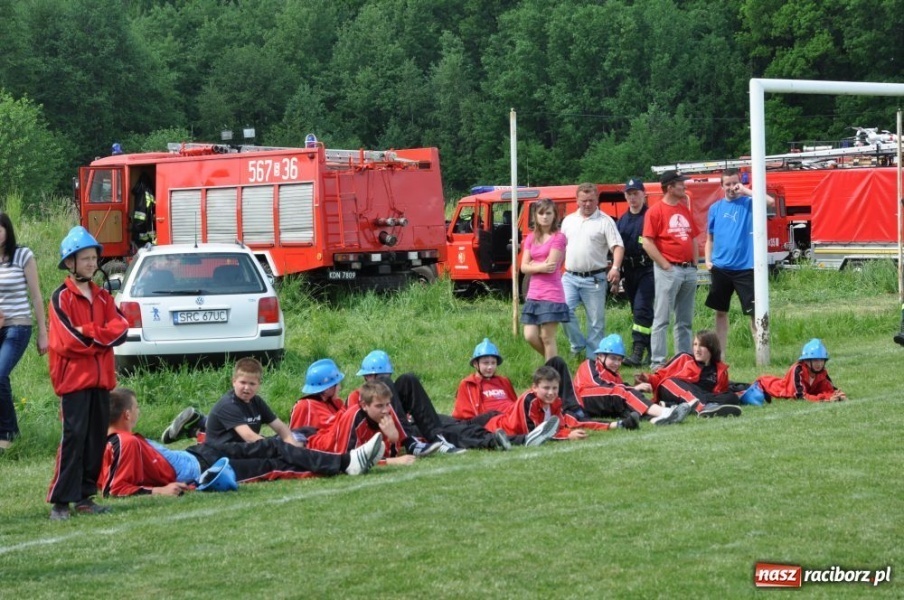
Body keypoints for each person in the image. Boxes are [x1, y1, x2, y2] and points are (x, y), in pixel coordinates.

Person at [101, 388, 384, 498]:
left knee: (275, 446)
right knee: (274, 462)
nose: (139, 412)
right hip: (208, 468)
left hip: (201, 454)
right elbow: (115, 488)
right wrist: (158, 492)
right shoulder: (123, 442)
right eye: (136, 408)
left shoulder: (118, 439)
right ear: (127, 415)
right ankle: (346, 463)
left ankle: (346, 461)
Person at [46, 226, 129, 521]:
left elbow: (122, 330)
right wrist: (100, 338)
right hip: (73, 384)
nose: (92, 264)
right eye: (85, 259)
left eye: (94, 258)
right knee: (74, 438)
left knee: (95, 439)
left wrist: (90, 333)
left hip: (101, 382)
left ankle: (84, 497)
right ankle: (60, 502)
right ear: (70, 263)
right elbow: (67, 341)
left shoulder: (104, 297)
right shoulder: (61, 298)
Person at [202, 358, 384, 477]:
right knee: (279, 456)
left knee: (303, 432)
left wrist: (291, 443)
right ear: (233, 381)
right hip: (225, 455)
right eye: (242, 383)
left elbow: (281, 428)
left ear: (259, 384)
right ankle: (345, 462)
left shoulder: (256, 402)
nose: (246, 388)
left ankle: (341, 460)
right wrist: (280, 447)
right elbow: (250, 437)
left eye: (252, 383)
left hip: (245, 451)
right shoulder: (228, 404)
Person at [705, 168, 775, 356]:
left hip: (746, 268)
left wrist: (745, 190)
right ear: (721, 186)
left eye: (734, 183)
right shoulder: (715, 209)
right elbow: (709, 238)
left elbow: (770, 202)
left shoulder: (749, 203)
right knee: (720, 312)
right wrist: (708, 260)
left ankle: (761, 352)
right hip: (721, 268)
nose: (731, 187)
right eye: (727, 184)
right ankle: (720, 355)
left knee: (754, 312)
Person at [348, 350, 467, 454]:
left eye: (387, 376)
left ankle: (437, 438)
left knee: (408, 378)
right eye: (378, 377)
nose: (384, 379)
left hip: (404, 424)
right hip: (381, 433)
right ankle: (410, 442)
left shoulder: (390, 391)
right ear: (366, 377)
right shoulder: (356, 397)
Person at [642, 170, 700, 371]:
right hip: (669, 269)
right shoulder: (655, 211)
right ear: (669, 187)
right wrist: (665, 265)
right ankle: (658, 363)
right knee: (662, 318)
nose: (684, 186)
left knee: (684, 320)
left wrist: (694, 263)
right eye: (680, 183)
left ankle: (683, 360)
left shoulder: (684, 209)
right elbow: (647, 243)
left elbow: (692, 237)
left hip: (688, 270)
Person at [0, 213, 49, 451]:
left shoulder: (22, 255)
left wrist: (43, 333)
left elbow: (37, 296)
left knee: (0, 375)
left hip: (18, 326)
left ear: (7, 231)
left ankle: (9, 434)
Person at [560, 183, 624, 360]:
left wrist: (615, 268)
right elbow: (560, 247)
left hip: (594, 279)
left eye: (591, 200)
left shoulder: (605, 221)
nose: (587, 204)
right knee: (563, 310)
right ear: (577, 201)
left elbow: (618, 246)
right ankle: (578, 343)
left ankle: (592, 360)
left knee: (596, 322)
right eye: (583, 200)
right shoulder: (568, 221)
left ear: (597, 200)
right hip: (570, 277)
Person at [308, 380, 427, 465]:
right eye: (379, 406)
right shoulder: (353, 417)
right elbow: (350, 460)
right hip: (312, 446)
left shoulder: (386, 413)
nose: (385, 410)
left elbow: (387, 453)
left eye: (387, 404)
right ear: (364, 405)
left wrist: (393, 438)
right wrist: (391, 462)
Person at [572, 334, 681, 426]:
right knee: (620, 393)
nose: (617, 363)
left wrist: (633, 389)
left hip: (598, 402)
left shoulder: (615, 375)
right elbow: (599, 385)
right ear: (600, 356)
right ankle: (665, 412)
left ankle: (655, 419)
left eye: (619, 360)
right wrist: (633, 388)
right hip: (582, 399)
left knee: (625, 405)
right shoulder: (589, 364)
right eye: (613, 358)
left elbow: (616, 390)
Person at [484, 366, 608, 446]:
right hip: (492, 427)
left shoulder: (556, 401)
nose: (551, 392)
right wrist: (567, 437)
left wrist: (569, 433)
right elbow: (534, 435)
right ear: (535, 388)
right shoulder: (529, 400)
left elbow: (558, 428)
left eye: (555, 388)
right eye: (546, 388)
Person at [635, 329, 742, 420]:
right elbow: (660, 376)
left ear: (711, 348)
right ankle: (703, 407)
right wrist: (647, 379)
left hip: (704, 395)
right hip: (675, 390)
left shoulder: (720, 370)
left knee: (732, 397)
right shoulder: (684, 358)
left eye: (702, 346)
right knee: (668, 382)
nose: (697, 349)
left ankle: (673, 406)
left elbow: (722, 392)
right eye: (695, 344)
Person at [520, 198, 569, 360]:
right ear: (535, 216)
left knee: (547, 337)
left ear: (555, 215)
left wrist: (534, 265)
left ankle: (552, 374)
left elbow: (552, 266)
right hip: (533, 294)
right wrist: (539, 266)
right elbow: (523, 267)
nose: (545, 217)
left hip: (552, 294)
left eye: (548, 213)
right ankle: (557, 364)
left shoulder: (559, 237)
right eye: (541, 213)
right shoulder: (530, 238)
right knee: (530, 335)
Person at [616, 179, 655, 367]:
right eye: (629, 194)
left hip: (648, 269)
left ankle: (638, 352)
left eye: (636, 193)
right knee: (638, 311)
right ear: (625, 196)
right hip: (629, 271)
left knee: (642, 309)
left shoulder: (651, 216)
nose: (633, 198)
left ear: (643, 194)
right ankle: (652, 350)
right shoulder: (622, 221)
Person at [755, 338, 846, 402]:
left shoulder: (821, 372)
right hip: (764, 385)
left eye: (821, 360)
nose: (819, 364)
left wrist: (837, 395)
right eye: (815, 360)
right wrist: (825, 399)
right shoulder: (798, 370)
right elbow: (800, 396)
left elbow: (829, 389)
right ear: (806, 361)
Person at [288, 358, 347, 431]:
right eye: (337, 384)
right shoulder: (304, 406)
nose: (339, 388)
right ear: (327, 389)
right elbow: (294, 437)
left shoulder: (336, 403)